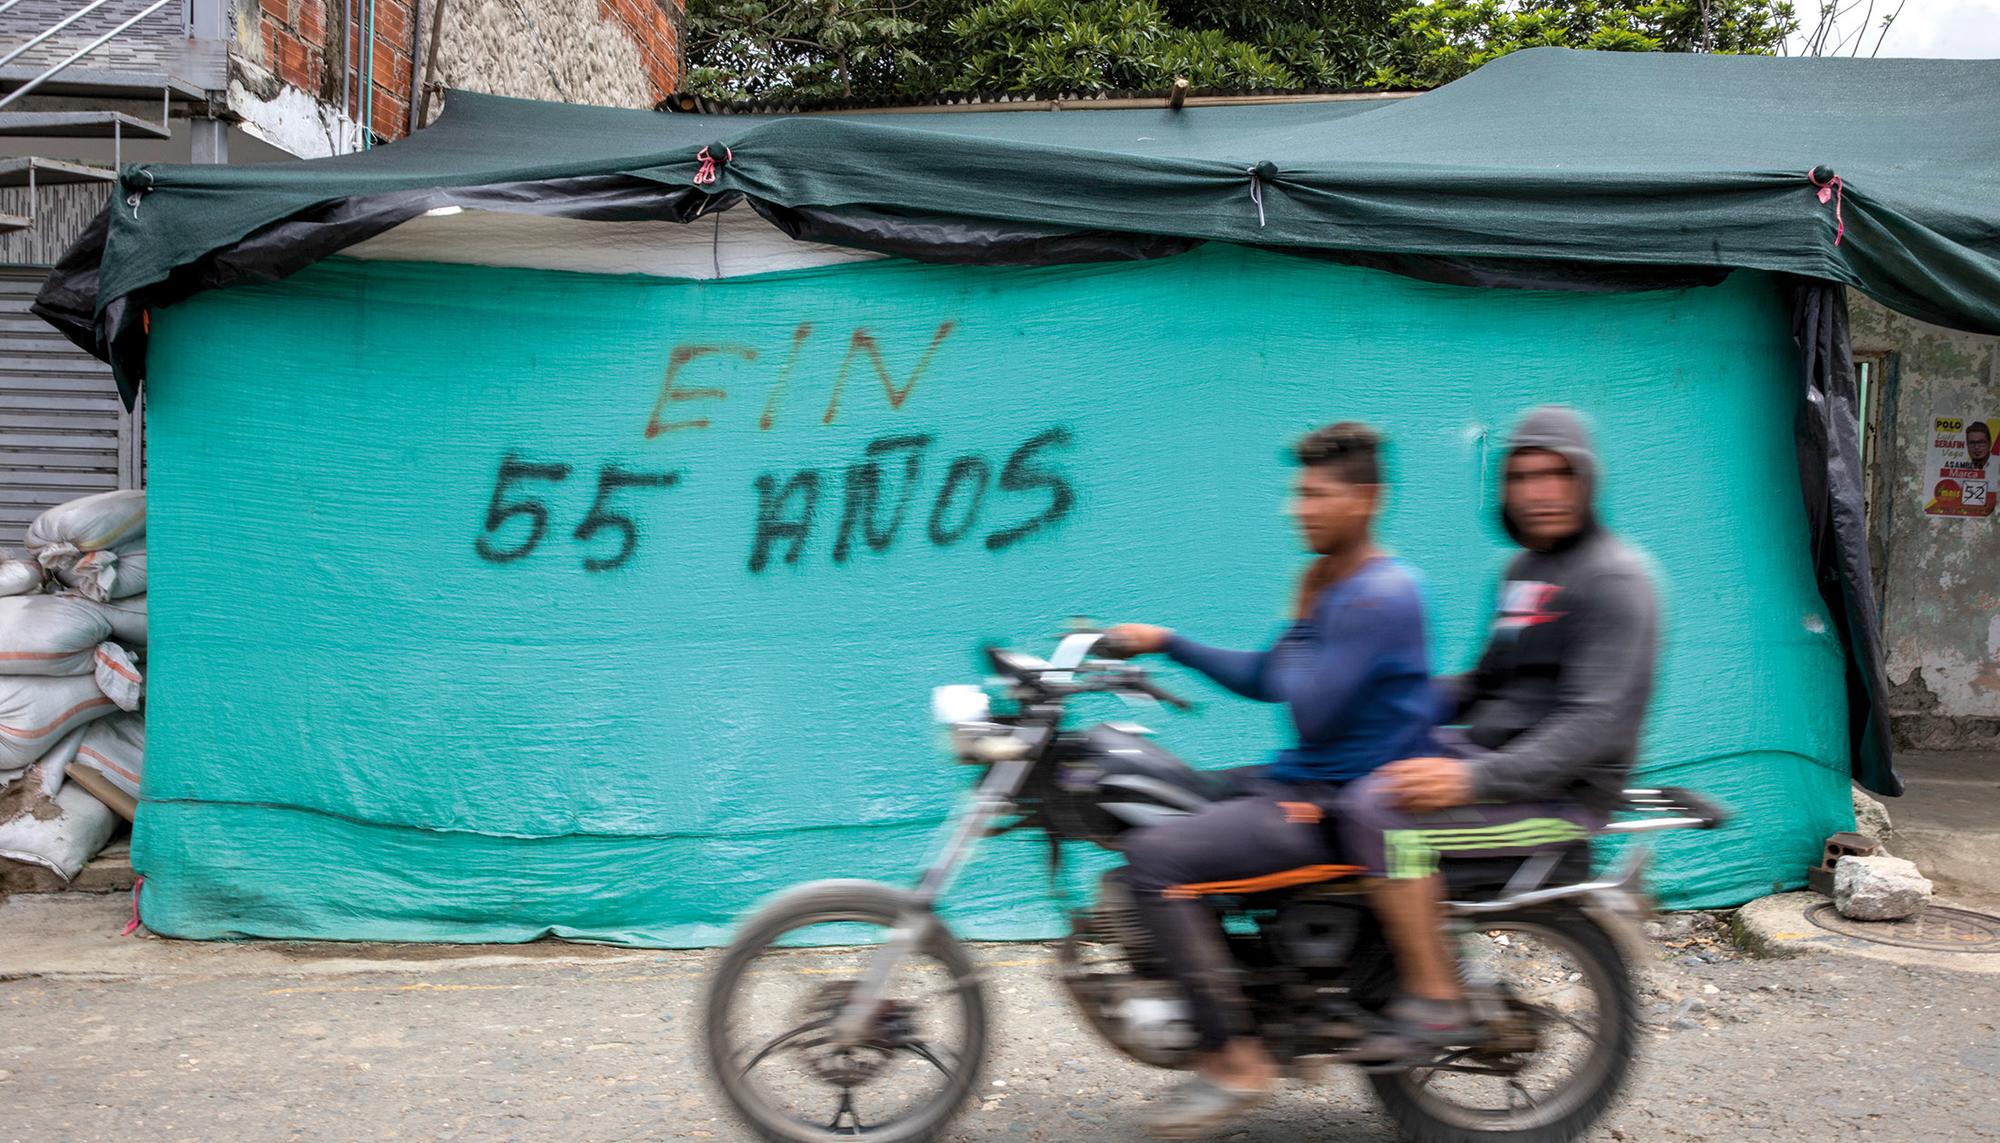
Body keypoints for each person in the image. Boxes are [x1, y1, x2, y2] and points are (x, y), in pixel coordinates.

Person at [1105, 422, 1436, 1139]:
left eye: (1318, 495)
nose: (1299, 509)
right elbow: (1267, 677)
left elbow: (1311, 703)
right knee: (1158, 793)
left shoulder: (1382, 594)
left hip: (1342, 802)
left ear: (1367, 500)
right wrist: (1167, 642)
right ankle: (1247, 990)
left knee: (1155, 858)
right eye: (1298, 494)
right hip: (1305, 777)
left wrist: (1304, 609)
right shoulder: (1338, 588)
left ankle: (1236, 1058)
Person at [1339, 405, 1660, 1064]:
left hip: (1556, 798)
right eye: (1522, 475)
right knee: (1339, 775)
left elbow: (1593, 724)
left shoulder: (1616, 579)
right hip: (1496, 762)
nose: (1539, 491)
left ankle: (1436, 998)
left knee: (1381, 816)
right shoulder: (1524, 571)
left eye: (1555, 473)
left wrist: (1467, 778)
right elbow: (1488, 682)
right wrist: (1388, 703)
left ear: (1585, 480)